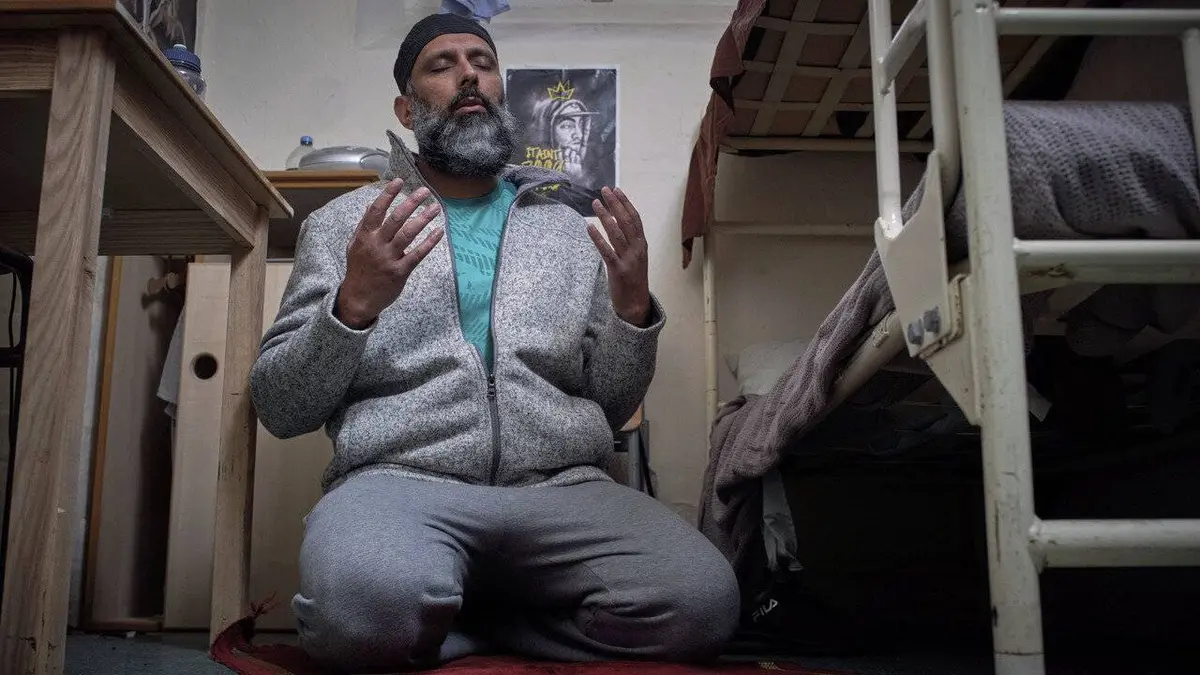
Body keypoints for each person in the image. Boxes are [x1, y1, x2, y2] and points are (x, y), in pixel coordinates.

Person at [249, 12, 740, 673]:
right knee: (362, 612)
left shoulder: (568, 230)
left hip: (563, 487)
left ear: (501, 89)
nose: (469, 75)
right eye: (442, 64)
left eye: (482, 61)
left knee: (703, 603)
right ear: (406, 107)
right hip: (399, 482)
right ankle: (459, 613)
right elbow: (281, 407)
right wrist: (352, 305)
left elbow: (611, 403)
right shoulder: (346, 227)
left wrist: (631, 313)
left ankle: (467, 624)